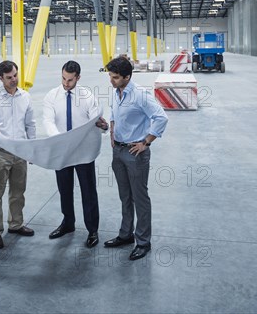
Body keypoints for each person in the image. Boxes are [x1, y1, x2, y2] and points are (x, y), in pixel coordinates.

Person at [104, 56, 168, 261]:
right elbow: (114, 113)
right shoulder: (116, 92)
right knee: (125, 196)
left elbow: (161, 117)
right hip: (118, 151)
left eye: (115, 77)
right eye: (110, 76)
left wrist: (146, 142)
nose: (111, 80)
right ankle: (125, 234)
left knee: (140, 198)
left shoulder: (141, 95)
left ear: (127, 77)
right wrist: (112, 131)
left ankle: (143, 242)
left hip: (135, 153)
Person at [43, 60, 108, 248]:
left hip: (83, 152)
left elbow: (96, 122)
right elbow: (48, 121)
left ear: (78, 78)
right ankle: (68, 223)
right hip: (62, 151)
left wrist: (103, 126)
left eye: (70, 80)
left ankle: (92, 229)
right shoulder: (52, 96)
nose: (66, 83)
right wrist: (60, 140)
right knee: (64, 190)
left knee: (88, 191)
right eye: (63, 78)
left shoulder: (88, 97)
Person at [0, 61, 36, 250]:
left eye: (15, 75)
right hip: (0, 152)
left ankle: (16, 224)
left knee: (18, 192)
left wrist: (31, 148)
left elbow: (30, 124)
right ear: (0, 78)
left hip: (20, 151)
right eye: (9, 77)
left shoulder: (25, 97)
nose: (13, 80)